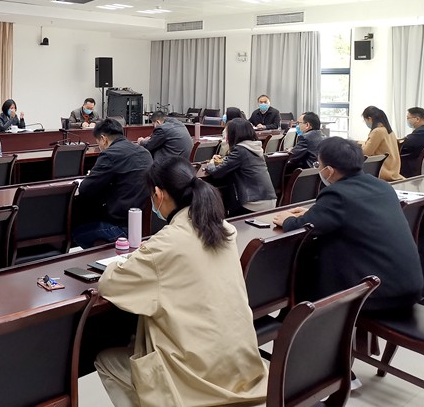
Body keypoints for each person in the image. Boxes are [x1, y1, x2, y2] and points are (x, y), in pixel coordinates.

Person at [95, 157, 268, 407]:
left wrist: (124, 262)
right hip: (240, 366)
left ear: (158, 194)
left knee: (107, 361)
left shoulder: (166, 244)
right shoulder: (224, 230)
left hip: (195, 376)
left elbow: (110, 284)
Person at [273, 136, 423, 313]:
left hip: (377, 295)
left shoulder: (337, 194)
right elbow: (349, 212)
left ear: (329, 171)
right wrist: (315, 212)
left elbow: (302, 226)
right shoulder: (382, 186)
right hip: (409, 288)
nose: (318, 169)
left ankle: (298, 322)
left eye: (318, 165)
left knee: (305, 269)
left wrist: (287, 219)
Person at [72, 118, 152, 248]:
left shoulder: (110, 154)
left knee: (77, 232)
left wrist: (88, 179)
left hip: (120, 226)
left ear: (103, 139)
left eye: (98, 142)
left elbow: (86, 189)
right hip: (142, 224)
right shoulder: (144, 152)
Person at [205, 118, 276, 214]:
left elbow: (216, 172)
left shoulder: (240, 150)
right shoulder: (254, 147)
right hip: (268, 198)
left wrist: (211, 164)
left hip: (254, 202)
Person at [361, 105, 403, 181]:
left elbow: (366, 152)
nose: (365, 122)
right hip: (393, 171)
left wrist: (361, 145)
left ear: (370, 119)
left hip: (382, 171)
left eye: (365, 120)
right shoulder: (388, 131)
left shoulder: (377, 131)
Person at [400, 107, 424, 178]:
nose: (407, 121)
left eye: (408, 118)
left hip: (414, 166)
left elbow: (406, 144)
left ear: (417, 119)